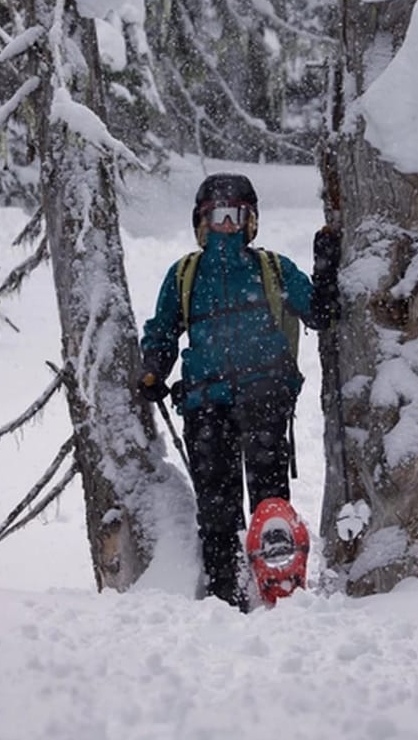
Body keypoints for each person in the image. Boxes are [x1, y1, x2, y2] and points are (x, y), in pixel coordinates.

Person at [138, 173, 340, 609]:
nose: (226, 224)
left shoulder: (272, 268)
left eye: (235, 215)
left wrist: (325, 269)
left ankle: (279, 588)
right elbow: (163, 331)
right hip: (204, 405)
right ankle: (224, 594)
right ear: (201, 222)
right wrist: (154, 368)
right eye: (217, 216)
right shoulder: (185, 275)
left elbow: (320, 313)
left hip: (265, 396)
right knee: (217, 509)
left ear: (251, 221)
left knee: (270, 502)